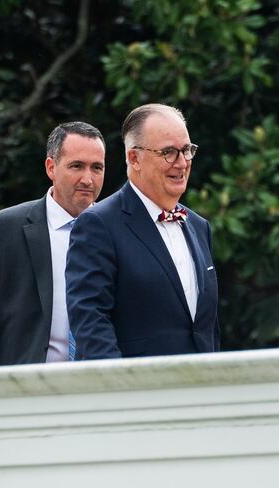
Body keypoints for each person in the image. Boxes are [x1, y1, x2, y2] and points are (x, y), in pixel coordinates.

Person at [66, 103, 219, 359]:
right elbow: (91, 322)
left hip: (200, 390)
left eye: (186, 150)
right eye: (169, 152)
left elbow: (206, 328)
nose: (181, 163)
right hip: (136, 393)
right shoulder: (98, 224)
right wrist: (126, 392)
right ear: (134, 158)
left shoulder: (198, 226)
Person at [0, 121, 106, 366]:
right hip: (23, 390)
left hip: (103, 388)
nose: (88, 179)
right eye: (77, 166)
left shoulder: (120, 232)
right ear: (51, 167)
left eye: (97, 168)